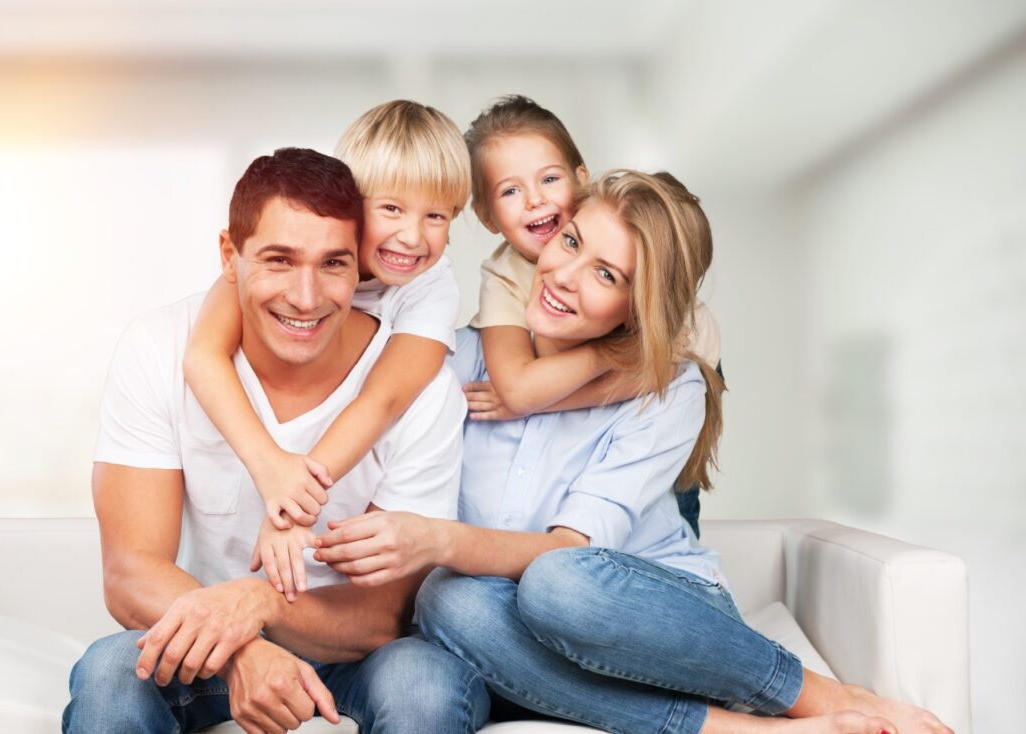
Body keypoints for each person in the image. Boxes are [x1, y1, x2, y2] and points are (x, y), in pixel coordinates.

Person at [311, 170, 952, 734]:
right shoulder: (453, 358)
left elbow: (569, 556)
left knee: (558, 584)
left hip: (650, 620)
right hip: (498, 633)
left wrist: (439, 540)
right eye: (569, 243)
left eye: (606, 274)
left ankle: (814, 696)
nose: (562, 277)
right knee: (445, 604)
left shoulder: (668, 389)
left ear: (637, 306)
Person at [63, 147, 489, 734]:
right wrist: (241, 646)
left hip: (356, 657)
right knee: (111, 671)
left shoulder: (423, 389)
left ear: (361, 264)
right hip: (211, 640)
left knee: (424, 682)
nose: (307, 297)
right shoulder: (160, 346)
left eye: (333, 264)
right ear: (229, 256)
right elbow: (131, 570)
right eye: (279, 260)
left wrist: (262, 603)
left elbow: (380, 615)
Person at [182, 100, 471, 600]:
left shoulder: (432, 288)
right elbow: (202, 357)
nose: (412, 236)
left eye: (436, 216)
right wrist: (269, 466)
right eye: (392, 209)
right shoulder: (285, 251)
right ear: (353, 205)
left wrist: (294, 504)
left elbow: (382, 398)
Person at [460, 94, 722, 535]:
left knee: (670, 507)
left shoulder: (665, 293)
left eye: (549, 178)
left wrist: (606, 358)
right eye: (510, 190)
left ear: (581, 180)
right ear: (487, 217)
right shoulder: (505, 275)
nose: (535, 201)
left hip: (659, 420)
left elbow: (668, 375)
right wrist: (611, 353)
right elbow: (520, 390)